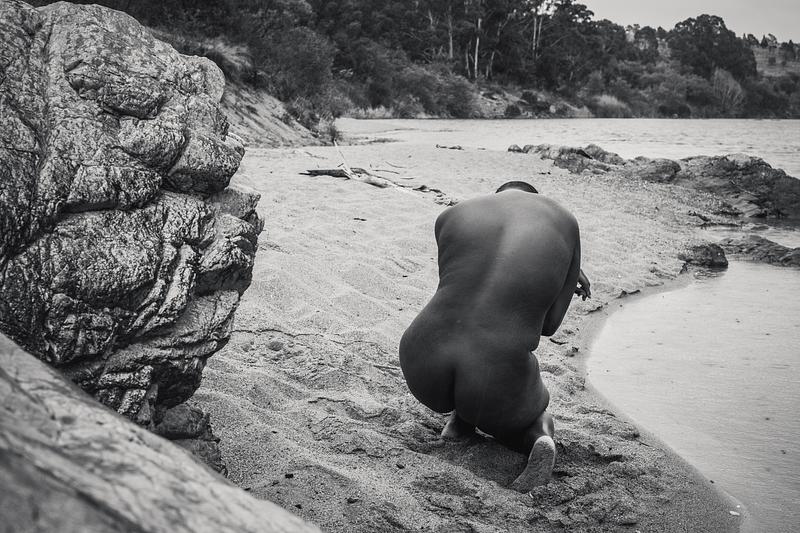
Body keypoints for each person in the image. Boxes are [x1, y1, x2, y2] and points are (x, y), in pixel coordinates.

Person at [399, 180, 590, 491]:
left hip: (420, 360)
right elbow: (548, 326)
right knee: (529, 405)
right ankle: (538, 437)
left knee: (469, 329)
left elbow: (464, 294)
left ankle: (460, 422)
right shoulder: (564, 221)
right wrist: (566, 276)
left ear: (497, 195)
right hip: (491, 378)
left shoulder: (452, 215)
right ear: (535, 199)